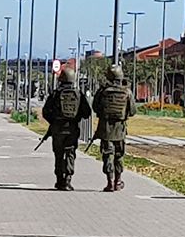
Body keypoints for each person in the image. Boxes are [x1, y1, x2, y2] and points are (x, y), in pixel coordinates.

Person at [41, 67, 91, 190]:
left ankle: (59, 180)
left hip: (58, 129)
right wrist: (76, 117)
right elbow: (87, 113)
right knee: (70, 153)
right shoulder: (78, 94)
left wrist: (54, 122)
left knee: (58, 154)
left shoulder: (55, 94)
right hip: (72, 129)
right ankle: (68, 179)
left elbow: (45, 111)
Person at [94, 63, 136, 192]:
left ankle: (110, 182)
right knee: (119, 155)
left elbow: (95, 107)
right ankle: (118, 181)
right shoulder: (127, 92)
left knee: (108, 155)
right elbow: (133, 111)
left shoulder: (102, 92)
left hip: (106, 129)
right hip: (120, 129)